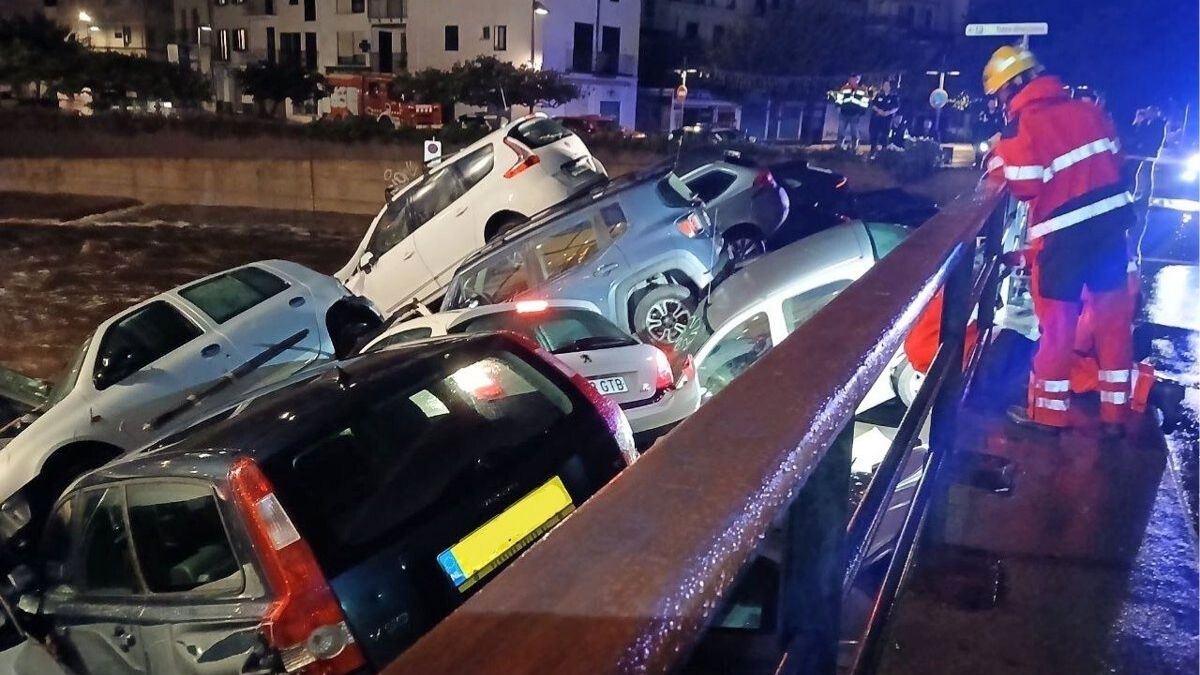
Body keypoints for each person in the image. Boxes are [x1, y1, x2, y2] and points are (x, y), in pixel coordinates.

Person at [981, 45, 1136, 435]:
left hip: (1063, 241)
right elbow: (1116, 161)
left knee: (1058, 329)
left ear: (1014, 85)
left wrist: (998, 155)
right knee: (1113, 323)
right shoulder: (1089, 110)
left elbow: (1027, 185)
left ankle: (1048, 416)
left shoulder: (1022, 128)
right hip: (1110, 232)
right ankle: (1115, 417)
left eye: (1000, 93)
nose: (1000, 102)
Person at [832, 74, 870, 151]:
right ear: (850, 79)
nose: (856, 80)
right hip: (844, 112)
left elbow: (865, 102)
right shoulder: (844, 88)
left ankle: (854, 148)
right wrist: (838, 107)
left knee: (854, 132)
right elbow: (839, 98)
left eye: (857, 79)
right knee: (841, 131)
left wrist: (861, 112)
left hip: (855, 114)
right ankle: (839, 147)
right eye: (854, 78)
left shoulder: (862, 89)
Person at [869, 80, 900, 157]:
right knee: (874, 135)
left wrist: (888, 113)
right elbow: (873, 105)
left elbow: (896, 107)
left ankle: (883, 153)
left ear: (890, 87)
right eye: (884, 85)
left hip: (887, 119)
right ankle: (873, 152)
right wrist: (879, 111)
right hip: (877, 118)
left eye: (887, 85)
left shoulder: (893, 96)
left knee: (885, 136)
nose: (885, 87)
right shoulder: (879, 95)